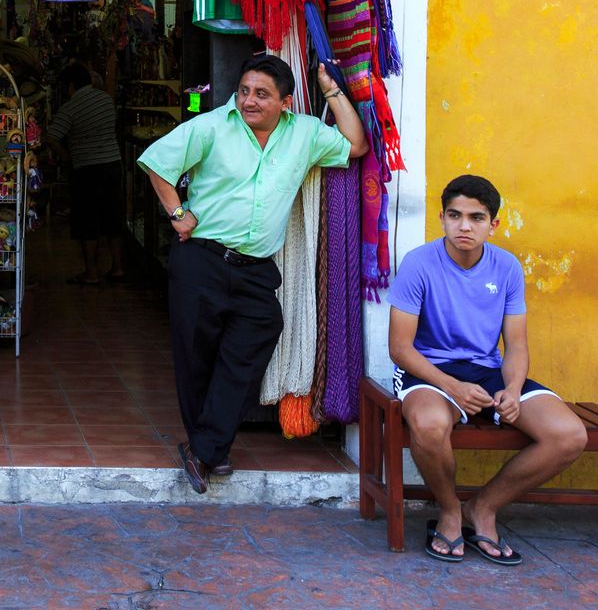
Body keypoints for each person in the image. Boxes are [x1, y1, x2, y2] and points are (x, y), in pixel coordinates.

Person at [138, 53, 368, 493]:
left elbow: (356, 146)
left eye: (262, 94)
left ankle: (203, 448)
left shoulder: (304, 134)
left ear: (285, 102)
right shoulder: (212, 126)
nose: (248, 101)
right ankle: (211, 450)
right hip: (201, 258)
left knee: (260, 332)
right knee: (195, 355)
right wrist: (177, 212)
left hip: (256, 269)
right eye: (244, 91)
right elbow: (156, 162)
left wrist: (332, 90)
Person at [388, 175, 587, 565]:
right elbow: (400, 348)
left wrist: (512, 389)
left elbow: (516, 345)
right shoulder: (419, 264)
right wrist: (452, 386)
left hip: (487, 370)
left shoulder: (507, 267)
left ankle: (481, 508)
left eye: (476, 217)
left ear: (493, 224)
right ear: (441, 218)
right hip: (431, 369)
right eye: (455, 215)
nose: (465, 226)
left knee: (569, 435)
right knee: (428, 425)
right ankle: (448, 511)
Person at [47, 63, 125, 285]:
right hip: (112, 164)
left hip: (86, 169)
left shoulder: (70, 108)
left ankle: (91, 272)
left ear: (71, 86)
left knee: (87, 220)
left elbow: (52, 137)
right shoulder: (106, 100)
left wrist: (65, 155)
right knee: (112, 217)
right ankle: (118, 267)